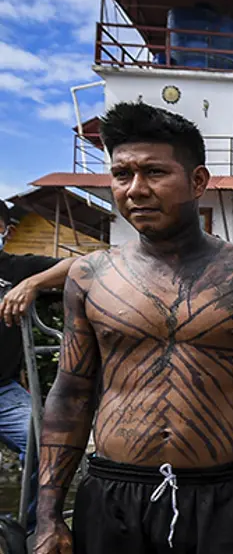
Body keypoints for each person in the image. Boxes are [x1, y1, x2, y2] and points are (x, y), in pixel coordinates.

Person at [33, 101, 233, 554]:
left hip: (220, 496)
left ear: (198, 181)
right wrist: (47, 512)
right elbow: (70, 393)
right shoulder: (90, 276)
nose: (136, 190)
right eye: (122, 174)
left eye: (154, 172)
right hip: (113, 494)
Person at [0, 204, 77, 531]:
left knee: (45, 439)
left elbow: (81, 265)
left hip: (3, 392)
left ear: (7, 231)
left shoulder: (18, 268)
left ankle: (30, 530)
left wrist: (32, 284)